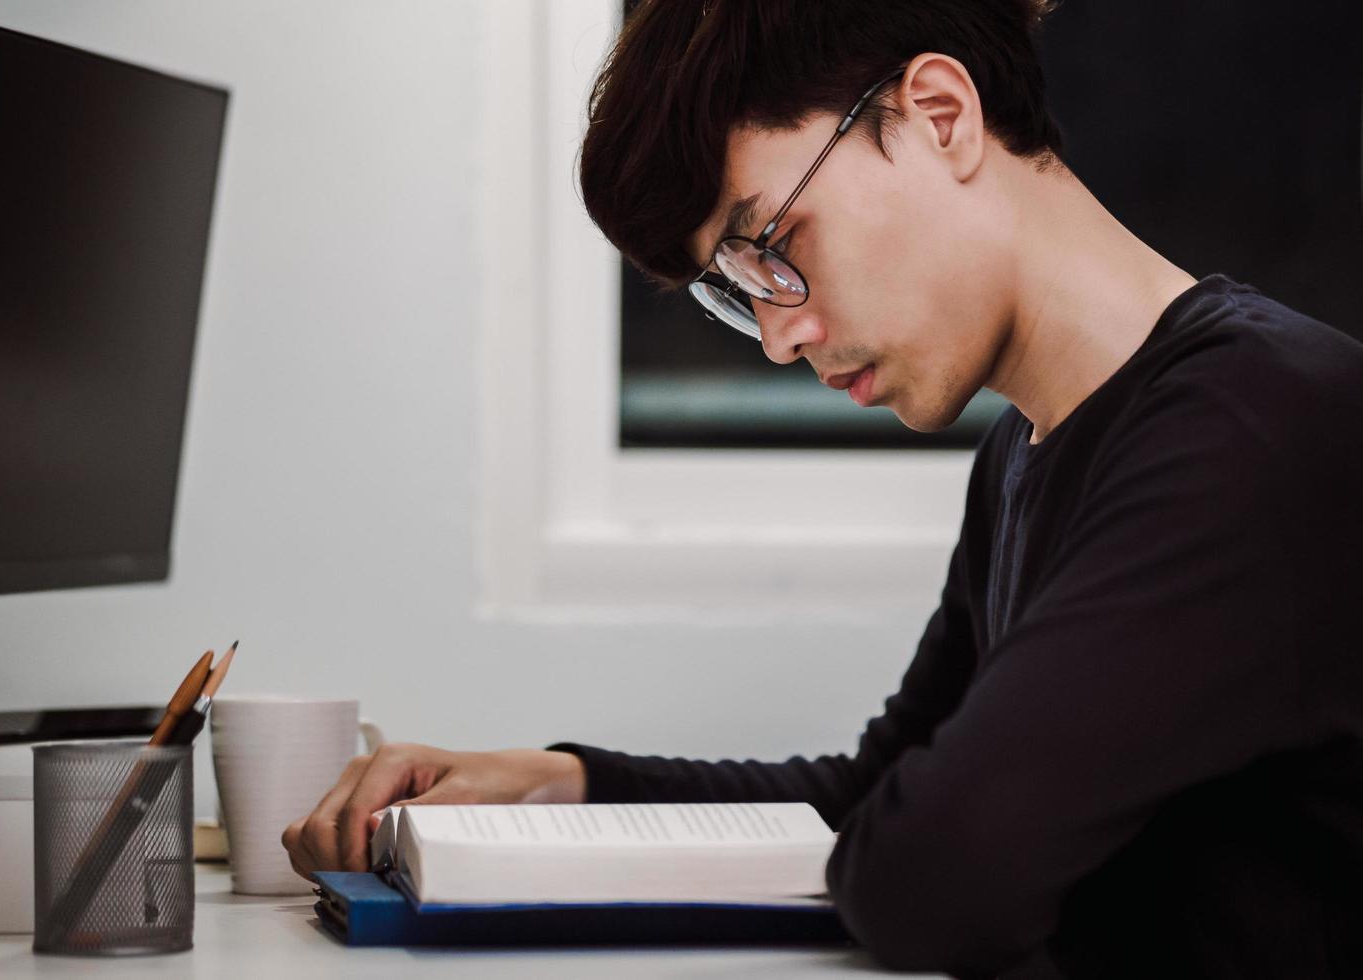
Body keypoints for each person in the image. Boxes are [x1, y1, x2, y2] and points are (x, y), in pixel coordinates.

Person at [284, 1, 1363, 975]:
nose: (779, 334)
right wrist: (554, 777)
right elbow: (877, 796)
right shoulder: (1027, 453)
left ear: (939, 114)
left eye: (774, 245)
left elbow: (935, 879)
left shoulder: (1255, 427)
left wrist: (918, 836)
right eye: (737, 293)